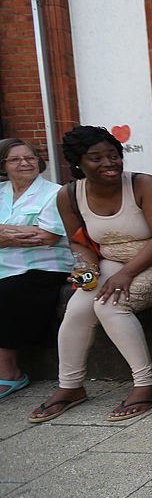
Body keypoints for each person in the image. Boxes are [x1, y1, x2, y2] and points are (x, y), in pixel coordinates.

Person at [28, 126, 152, 423]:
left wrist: (126, 274)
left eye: (113, 155)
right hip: (111, 258)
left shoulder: (142, 184)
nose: (109, 163)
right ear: (78, 163)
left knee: (111, 304)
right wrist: (86, 267)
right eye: (96, 158)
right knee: (76, 309)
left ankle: (145, 384)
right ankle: (70, 387)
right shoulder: (69, 195)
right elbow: (77, 240)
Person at [0, 139, 73, 398]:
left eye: (30, 158)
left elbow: (49, 236)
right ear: (3, 165)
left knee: (9, 292)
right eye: (16, 159)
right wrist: (22, 233)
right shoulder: (1, 192)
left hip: (45, 265)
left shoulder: (54, 192)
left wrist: (3, 234)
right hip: (5, 265)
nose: (25, 163)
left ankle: (9, 372)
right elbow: (36, 233)